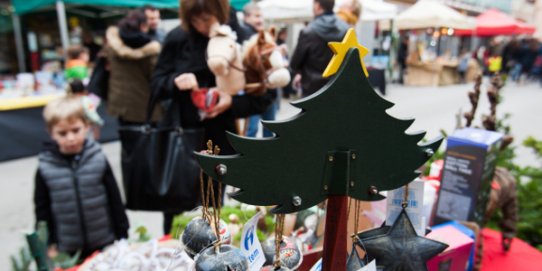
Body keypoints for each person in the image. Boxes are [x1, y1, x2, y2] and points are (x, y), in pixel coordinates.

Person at [151, 0, 274, 234]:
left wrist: (231, 102)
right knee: (177, 214)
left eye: (206, 19)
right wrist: (175, 81)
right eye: (193, 20)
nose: (200, 26)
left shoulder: (242, 37)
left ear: (221, 11)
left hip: (218, 142)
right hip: (180, 140)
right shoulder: (178, 37)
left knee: (212, 213)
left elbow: (264, 95)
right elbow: (157, 83)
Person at [34, 96, 129, 259]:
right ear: (51, 133)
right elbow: (42, 210)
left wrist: (122, 233)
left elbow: (114, 199)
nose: (70, 138)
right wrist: (48, 243)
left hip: (103, 241)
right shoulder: (45, 167)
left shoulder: (98, 158)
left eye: (75, 130)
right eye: (62, 133)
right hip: (68, 246)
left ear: (86, 127)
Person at [105, 9, 162, 126]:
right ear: (142, 26)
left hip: (120, 104)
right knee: (148, 141)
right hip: (145, 107)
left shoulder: (112, 46)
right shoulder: (150, 49)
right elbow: (155, 78)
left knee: (127, 139)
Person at [290, 0, 349, 97]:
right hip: (337, 88)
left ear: (317, 6)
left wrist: (299, 72)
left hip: (312, 91)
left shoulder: (308, 31)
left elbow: (294, 64)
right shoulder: (347, 30)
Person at [242, 3, 278, 138]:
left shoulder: (262, 35)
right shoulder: (246, 35)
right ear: (246, 18)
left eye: (261, 16)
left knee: (268, 129)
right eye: (257, 16)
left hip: (266, 90)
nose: (260, 20)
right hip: (254, 91)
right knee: (252, 130)